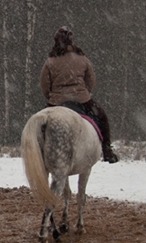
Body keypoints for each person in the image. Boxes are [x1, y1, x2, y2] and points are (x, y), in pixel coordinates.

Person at [38, 26, 119, 163]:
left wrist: (51, 98)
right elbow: (91, 80)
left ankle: (38, 153)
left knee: (39, 125)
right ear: (71, 41)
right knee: (102, 118)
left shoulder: (50, 61)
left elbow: (44, 85)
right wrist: (84, 92)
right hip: (81, 99)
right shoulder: (82, 59)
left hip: (57, 101)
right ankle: (107, 150)